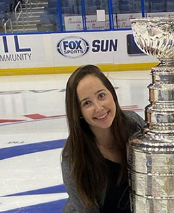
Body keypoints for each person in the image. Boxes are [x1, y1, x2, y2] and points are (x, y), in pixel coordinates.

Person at [61, 65, 145, 212]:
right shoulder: (74, 157)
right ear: (79, 111)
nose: (99, 108)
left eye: (101, 95)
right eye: (87, 103)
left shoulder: (134, 125)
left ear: (112, 93)